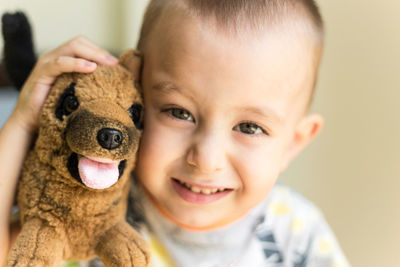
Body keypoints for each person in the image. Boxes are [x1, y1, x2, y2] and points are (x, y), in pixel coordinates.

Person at [0, 0, 350, 266]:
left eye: (249, 127)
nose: (206, 160)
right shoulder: (94, 202)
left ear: (293, 143)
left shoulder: (299, 235)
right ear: (135, 93)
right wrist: (24, 119)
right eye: (179, 112)